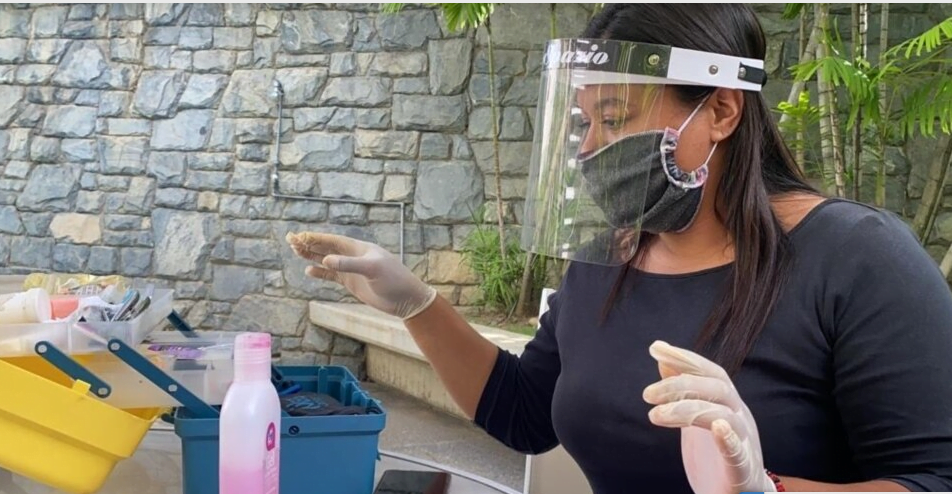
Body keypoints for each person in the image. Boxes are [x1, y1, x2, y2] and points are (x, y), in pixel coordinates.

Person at [287, 4, 952, 493]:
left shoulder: (859, 260)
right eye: (584, 121)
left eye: (614, 117)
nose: (587, 148)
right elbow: (525, 414)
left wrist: (765, 490)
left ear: (722, 110)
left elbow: (933, 480)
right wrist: (417, 305)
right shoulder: (609, 258)